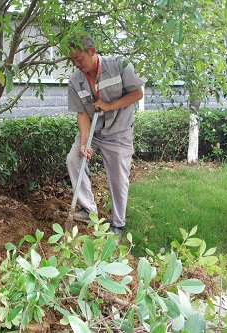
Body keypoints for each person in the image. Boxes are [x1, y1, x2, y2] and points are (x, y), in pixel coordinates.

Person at [66, 34, 144, 234]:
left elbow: (137, 93)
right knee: (74, 159)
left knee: (118, 177)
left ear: (92, 51)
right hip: (94, 131)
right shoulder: (75, 81)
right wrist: (84, 143)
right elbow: (82, 114)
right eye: (72, 60)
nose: (76, 64)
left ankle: (117, 223)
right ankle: (88, 208)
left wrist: (110, 106)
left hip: (119, 131)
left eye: (79, 59)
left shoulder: (119, 65)